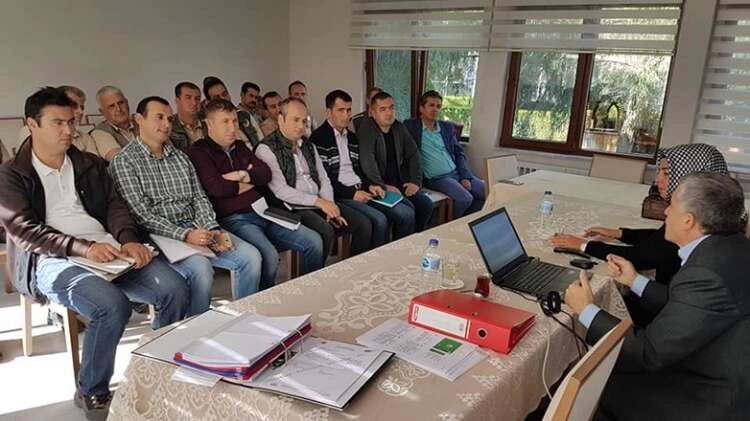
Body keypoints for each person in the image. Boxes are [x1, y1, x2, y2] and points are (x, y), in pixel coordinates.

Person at [0, 87, 188, 420]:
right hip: (51, 258)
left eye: (71, 122)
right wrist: (84, 249)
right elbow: (25, 231)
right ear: (32, 123)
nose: (69, 130)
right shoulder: (12, 174)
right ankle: (92, 390)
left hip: (106, 248)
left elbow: (116, 207)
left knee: (174, 288)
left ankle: (153, 370)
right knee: (110, 305)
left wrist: (127, 239)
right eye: (58, 123)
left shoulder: (88, 163)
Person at [565, 172, 750, 421]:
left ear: (688, 221)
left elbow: (648, 354)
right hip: (716, 364)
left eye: (671, 205)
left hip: (712, 396)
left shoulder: (706, 272)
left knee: (597, 383)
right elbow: (690, 308)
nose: (665, 212)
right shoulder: (732, 245)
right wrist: (634, 280)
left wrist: (586, 309)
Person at [109, 96, 263, 316]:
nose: (166, 124)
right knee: (200, 268)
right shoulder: (124, 161)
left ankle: (243, 319)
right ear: (139, 119)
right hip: (158, 235)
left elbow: (199, 197)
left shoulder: (180, 158)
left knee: (250, 257)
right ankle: (195, 327)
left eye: (169, 119)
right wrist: (186, 235)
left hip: (197, 227)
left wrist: (211, 227)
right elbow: (141, 214)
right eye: (159, 117)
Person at [551, 143, 728, 325]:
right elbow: (659, 239)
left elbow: (640, 257)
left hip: (661, 313)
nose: (657, 180)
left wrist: (583, 245)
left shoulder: (695, 225)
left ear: (692, 178)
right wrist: (620, 233)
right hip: (666, 298)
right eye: (659, 172)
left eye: (667, 173)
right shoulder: (714, 222)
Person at [189, 99, 325, 283]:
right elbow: (217, 188)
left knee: (314, 241)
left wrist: (240, 175)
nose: (232, 127)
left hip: (265, 211)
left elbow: (265, 174)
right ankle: (265, 298)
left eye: (234, 121)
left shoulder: (240, 146)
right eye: (225, 122)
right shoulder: (199, 151)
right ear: (209, 124)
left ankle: (310, 287)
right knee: (269, 256)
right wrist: (250, 178)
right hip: (235, 218)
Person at [255, 97, 373, 258]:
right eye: (295, 120)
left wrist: (329, 204)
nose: (301, 126)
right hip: (291, 206)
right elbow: (281, 191)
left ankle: (354, 267)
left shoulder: (308, 145)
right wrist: (320, 202)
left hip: (319, 201)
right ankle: (315, 273)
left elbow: (323, 178)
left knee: (363, 224)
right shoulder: (266, 148)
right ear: (281, 119)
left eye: (304, 121)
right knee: (325, 230)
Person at [311, 89, 416, 247]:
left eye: (349, 110)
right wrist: (352, 193)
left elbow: (360, 170)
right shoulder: (319, 138)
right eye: (340, 110)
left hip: (362, 190)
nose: (346, 115)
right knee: (378, 220)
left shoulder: (352, 137)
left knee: (406, 212)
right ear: (328, 112)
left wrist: (371, 185)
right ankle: (369, 259)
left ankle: (393, 253)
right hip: (339, 194)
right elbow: (323, 179)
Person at [357, 91, 434, 232]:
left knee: (426, 205)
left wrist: (415, 181)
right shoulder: (367, 130)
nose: (389, 113)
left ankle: (413, 238)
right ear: (372, 113)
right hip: (376, 188)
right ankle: (402, 242)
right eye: (383, 109)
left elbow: (413, 153)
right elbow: (368, 164)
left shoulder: (398, 127)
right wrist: (384, 186)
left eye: (391, 108)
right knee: (406, 213)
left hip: (400, 183)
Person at [404, 90, 485, 218]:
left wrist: (464, 176)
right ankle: (454, 224)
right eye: (431, 105)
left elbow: (459, 153)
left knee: (489, 192)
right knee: (465, 198)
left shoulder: (446, 127)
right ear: (421, 108)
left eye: (438, 106)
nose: (435, 109)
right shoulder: (411, 127)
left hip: (456, 172)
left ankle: (469, 220)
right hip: (437, 178)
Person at [18, 86, 101, 157]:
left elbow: (94, 166)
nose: (80, 111)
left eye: (82, 107)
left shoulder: (86, 137)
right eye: (73, 105)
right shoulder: (31, 130)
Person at [203, 76, 261, 147]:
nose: (223, 98)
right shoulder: (210, 129)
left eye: (225, 94)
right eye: (217, 97)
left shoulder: (245, 115)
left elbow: (262, 143)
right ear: (209, 102)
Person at [90, 85, 137, 161]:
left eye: (121, 103)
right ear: (102, 112)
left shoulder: (141, 123)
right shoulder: (99, 132)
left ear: (127, 102)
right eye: (111, 106)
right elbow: (120, 160)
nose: (118, 109)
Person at [170, 81, 206, 153]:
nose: (194, 103)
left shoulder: (209, 122)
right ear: (177, 101)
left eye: (197, 98)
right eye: (188, 98)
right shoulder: (169, 127)